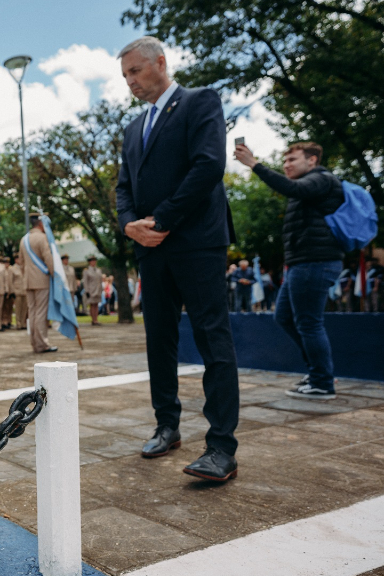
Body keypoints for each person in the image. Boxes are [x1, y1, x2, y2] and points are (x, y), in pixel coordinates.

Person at [115, 36, 240, 482]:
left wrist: (162, 219)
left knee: (213, 340)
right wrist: (130, 223)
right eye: (125, 75)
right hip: (152, 248)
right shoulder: (132, 128)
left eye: (135, 71)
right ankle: (167, 425)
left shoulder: (199, 102)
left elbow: (208, 166)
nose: (129, 81)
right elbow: (124, 186)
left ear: (160, 63)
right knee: (159, 340)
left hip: (196, 241)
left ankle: (221, 447)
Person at [234, 140, 345, 399]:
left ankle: (322, 382)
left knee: (309, 322)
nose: (286, 165)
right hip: (302, 263)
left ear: (312, 160)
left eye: (292, 160)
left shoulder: (321, 179)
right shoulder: (310, 184)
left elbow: (290, 188)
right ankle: (319, 371)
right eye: (284, 161)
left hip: (315, 262)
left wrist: (254, 164)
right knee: (284, 316)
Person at [23, 213, 58, 353]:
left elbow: (21, 264)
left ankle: (34, 343)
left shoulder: (23, 239)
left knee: (32, 313)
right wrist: (55, 274)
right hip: (41, 280)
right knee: (41, 313)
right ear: (41, 224)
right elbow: (48, 258)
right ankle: (42, 344)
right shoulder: (42, 238)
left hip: (28, 281)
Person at [81, 256, 103, 325]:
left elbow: (100, 280)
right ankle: (93, 320)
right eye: (92, 261)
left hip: (98, 290)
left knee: (96, 304)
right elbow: (85, 282)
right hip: (91, 290)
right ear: (89, 262)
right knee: (92, 305)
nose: (94, 262)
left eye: (94, 261)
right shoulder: (86, 270)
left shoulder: (98, 270)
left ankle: (96, 319)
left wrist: (101, 289)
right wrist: (87, 291)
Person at [12, 254, 29, 329]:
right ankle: (18, 323)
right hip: (17, 291)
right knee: (18, 309)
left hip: (24, 291)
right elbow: (11, 281)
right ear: (15, 260)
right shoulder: (12, 268)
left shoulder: (25, 268)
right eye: (18, 259)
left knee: (24, 308)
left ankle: (23, 323)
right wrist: (12, 291)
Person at [0, 256, 15, 329]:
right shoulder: (1, 269)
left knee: (9, 307)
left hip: (10, 291)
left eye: (8, 262)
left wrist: (12, 291)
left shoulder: (11, 269)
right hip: (3, 291)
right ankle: (3, 321)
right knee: (3, 308)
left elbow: (12, 281)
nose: (7, 264)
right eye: (5, 262)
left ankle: (9, 321)